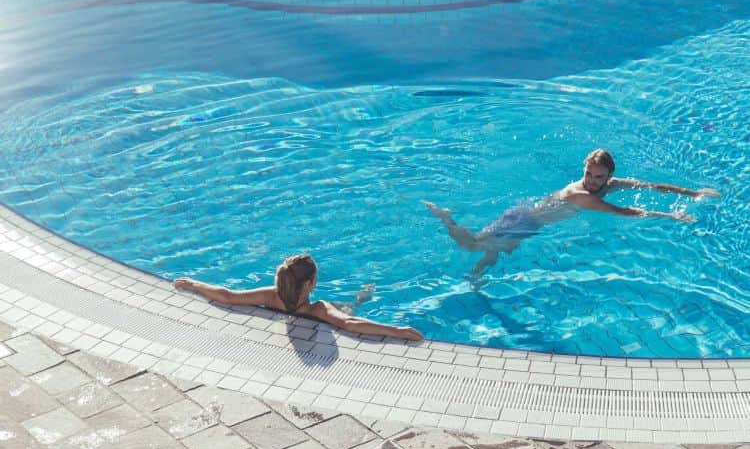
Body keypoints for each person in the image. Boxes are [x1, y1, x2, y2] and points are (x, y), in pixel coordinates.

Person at [425, 148, 720, 276]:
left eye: (598, 177)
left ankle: (475, 276)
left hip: (529, 220)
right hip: (525, 222)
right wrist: (671, 217)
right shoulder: (583, 196)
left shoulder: (610, 184)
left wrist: (692, 193)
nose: (592, 180)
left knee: (493, 251)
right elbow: (623, 211)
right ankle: (446, 217)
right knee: (473, 244)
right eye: (589, 174)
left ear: (609, 176)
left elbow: (652, 186)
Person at [173, 253, 423, 341]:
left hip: (289, 304)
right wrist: (396, 330)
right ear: (311, 283)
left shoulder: (271, 296)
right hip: (330, 311)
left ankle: (361, 297)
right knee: (350, 307)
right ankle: (362, 297)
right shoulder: (318, 309)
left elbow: (228, 296)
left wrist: (195, 284)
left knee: (346, 307)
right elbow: (349, 324)